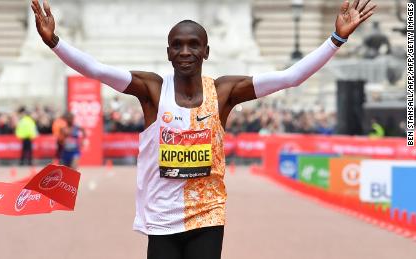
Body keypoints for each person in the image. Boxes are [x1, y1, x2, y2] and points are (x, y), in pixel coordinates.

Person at [31, 0, 376, 258]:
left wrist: (335, 38)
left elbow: (290, 78)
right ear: (168, 52)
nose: (185, 51)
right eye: (178, 45)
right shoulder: (152, 89)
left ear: (206, 51)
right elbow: (96, 70)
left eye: (193, 44)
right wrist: (54, 42)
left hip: (207, 213)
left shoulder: (224, 92)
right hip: (161, 217)